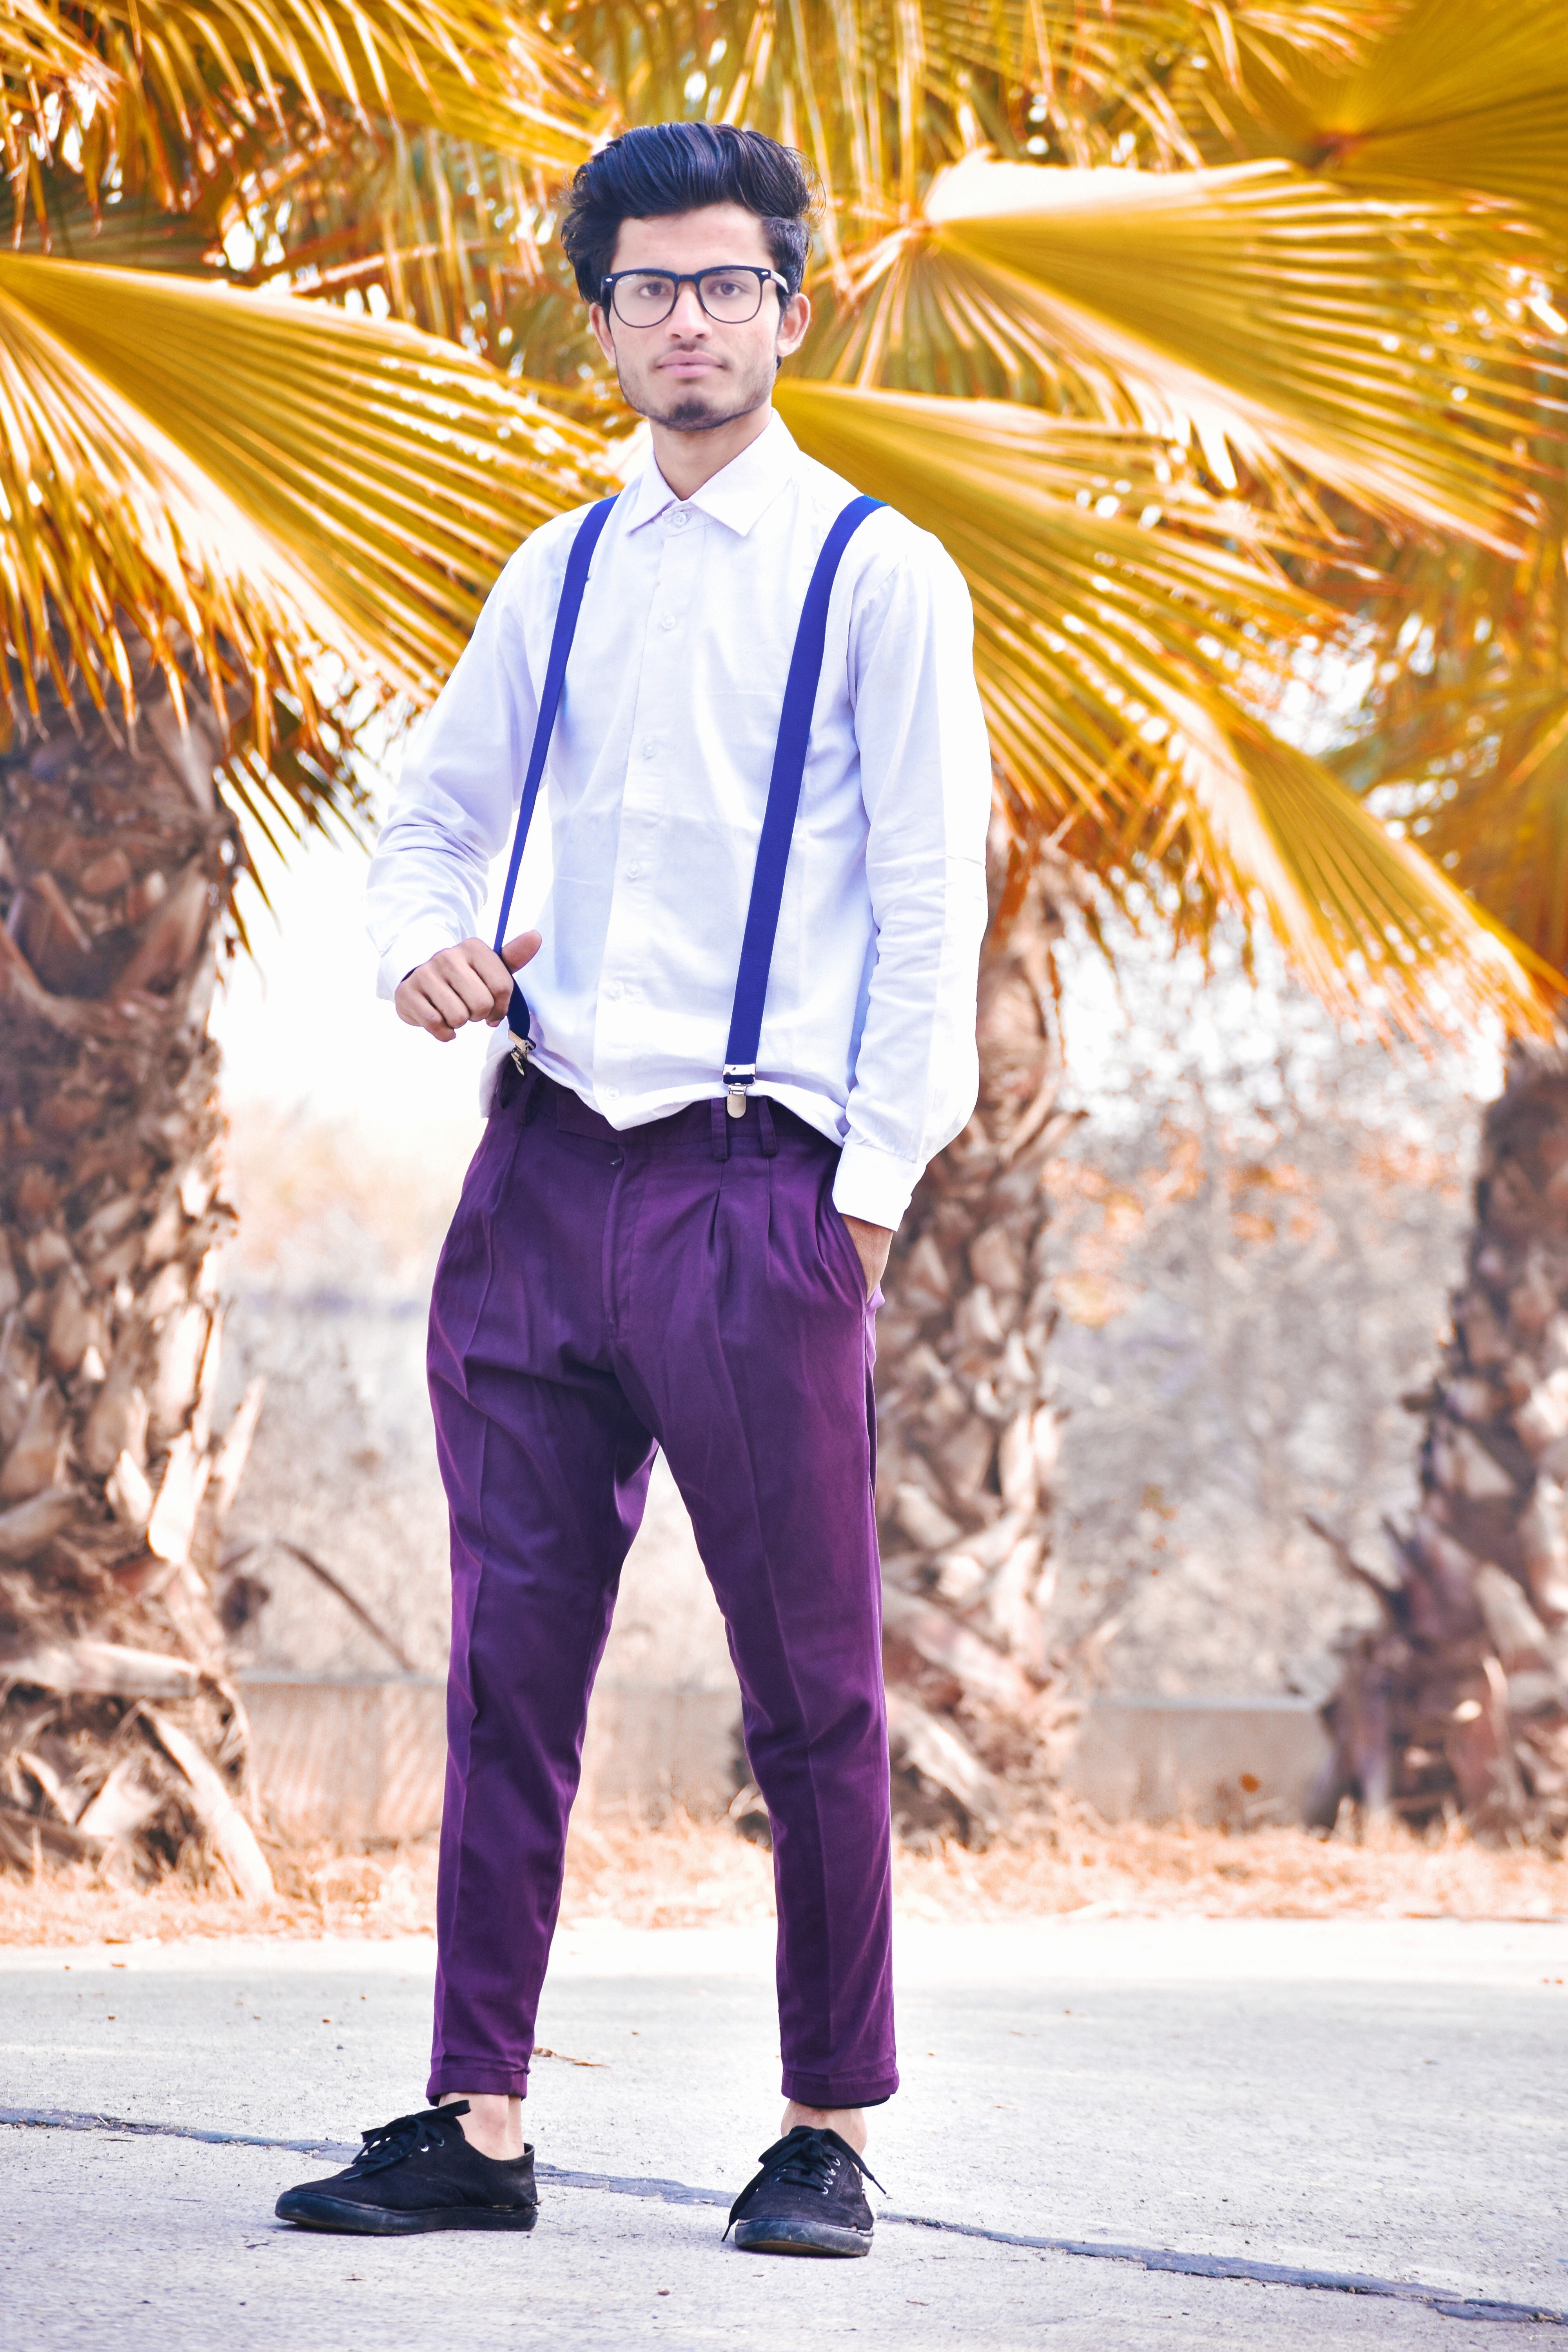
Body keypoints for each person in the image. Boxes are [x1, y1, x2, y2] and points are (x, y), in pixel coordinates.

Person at [276, 119, 991, 2257]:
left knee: (810, 1686)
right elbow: (431, 821)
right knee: (508, 1668)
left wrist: (859, 1208)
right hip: (538, 1172)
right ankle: (476, 2122)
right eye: (651, 289)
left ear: (789, 307)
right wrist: (421, 946)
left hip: (758, 1193)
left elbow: (934, 909)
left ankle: (826, 2126)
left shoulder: (877, 573)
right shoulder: (559, 568)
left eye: (727, 284)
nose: (690, 320)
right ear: (603, 319)